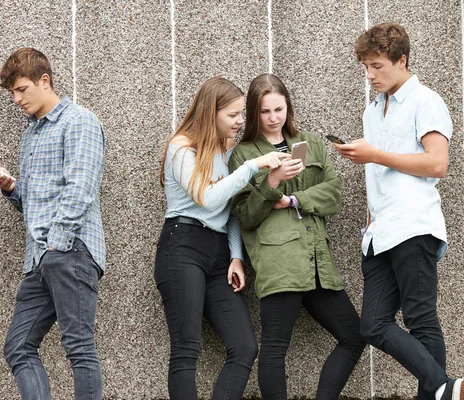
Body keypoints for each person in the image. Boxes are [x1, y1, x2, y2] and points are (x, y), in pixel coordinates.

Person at [335, 22, 462, 400]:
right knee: (372, 325)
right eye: (366, 68)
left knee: (421, 320)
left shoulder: (426, 101)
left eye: (377, 66)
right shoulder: (372, 111)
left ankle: (438, 392)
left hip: (414, 223)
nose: (370, 75)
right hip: (379, 232)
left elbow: (438, 163)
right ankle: (445, 388)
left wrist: (374, 155)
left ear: (401, 60)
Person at [229, 73, 366, 399]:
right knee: (275, 345)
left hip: (317, 261)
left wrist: (292, 200)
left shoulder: (313, 143)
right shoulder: (245, 155)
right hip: (280, 261)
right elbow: (246, 216)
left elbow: (332, 196)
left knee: (354, 336)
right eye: (265, 112)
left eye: (280, 109)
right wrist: (272, 181)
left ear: (289, 107)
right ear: (254, 113)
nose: (274, 118)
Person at [155, 76, 290, 400]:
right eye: (232, 115)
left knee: (244, 347)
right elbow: (209, 199)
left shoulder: (227, 151)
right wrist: (252, 167)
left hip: (218, 256)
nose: (240, 121)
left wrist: (235, 257)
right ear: (210, 113)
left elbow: (228, 211)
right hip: (182, 246)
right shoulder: (181, 148)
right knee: (186, 349)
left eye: (241, 113)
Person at [0, 48, 105, 400]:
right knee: (18, 346)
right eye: (12, 92)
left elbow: (80, 188)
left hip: (69, 251)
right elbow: (39, 201)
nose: (16, 98)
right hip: (39, 258)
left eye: (22, 89)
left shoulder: (79, 121)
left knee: (79, 348)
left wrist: (57, 243)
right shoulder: (30, 134)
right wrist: (12, 189)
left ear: (45, 80)